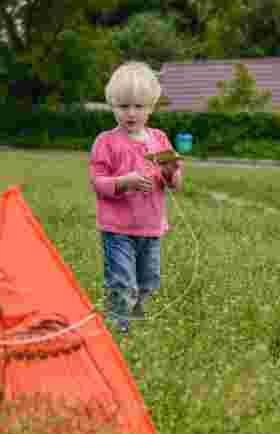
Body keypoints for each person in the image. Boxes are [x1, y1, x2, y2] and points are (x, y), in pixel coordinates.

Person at [88, 61, 183, 335]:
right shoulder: (105, 142)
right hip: (117, 228)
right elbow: (97, 183)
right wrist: (123, 182)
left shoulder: (159, 140)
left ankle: (137, 318)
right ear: (112, 105)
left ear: (151, 107)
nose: (131, 113)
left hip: (150, 227)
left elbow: (174, 182)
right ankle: (119, 326)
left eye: (138, 107)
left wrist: (170, 171)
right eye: (123, 106)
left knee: (148, 280)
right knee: (121, 280)